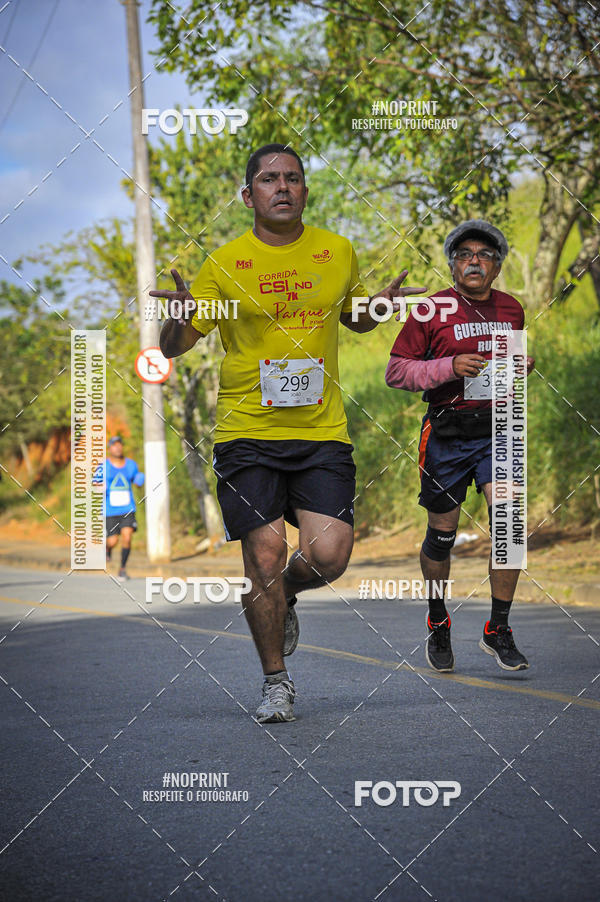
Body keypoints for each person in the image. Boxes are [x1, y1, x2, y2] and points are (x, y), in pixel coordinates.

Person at [150, 143, 424, 723]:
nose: (282, 187)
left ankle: (287, 593)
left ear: (305, 191)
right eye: (269, 179)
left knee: (330, 554)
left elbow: (350, 317)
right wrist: (177, 317)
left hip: (322, 431)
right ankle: (276, 682)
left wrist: (378, 309)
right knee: (265, 553)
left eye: (293, 179)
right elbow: (175, 346)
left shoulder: (336, 251)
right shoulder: (223, 265)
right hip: (247, 432)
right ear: (248, 195)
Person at [385, 219, 534, 673]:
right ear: (453, 264)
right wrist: (449, 366)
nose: (474, 261)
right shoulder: (431, 310)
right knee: (442, 536)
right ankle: (437, 620)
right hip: (448, 434)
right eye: (465, 253)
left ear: (496, 266)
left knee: (509, 529)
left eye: (484, 255)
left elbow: (508, 367)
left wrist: (520, 366)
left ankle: (499, 629)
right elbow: (396, 372)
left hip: (499, 428)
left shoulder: (511, 309)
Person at [98, 436, 145, 580]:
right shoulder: (103, 466)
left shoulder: (131, 464)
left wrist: (139, 479)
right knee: (112, 541)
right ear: (110, 449)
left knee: (127, 536)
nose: (117, 448)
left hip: (127, 509)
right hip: (110, 510)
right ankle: (107, 548)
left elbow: (136, 478)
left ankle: (122, 569)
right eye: (114, 445)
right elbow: (95, 482)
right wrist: (99, 486)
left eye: (119, 445)